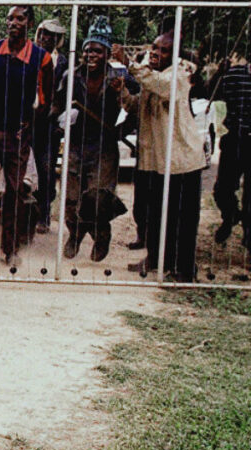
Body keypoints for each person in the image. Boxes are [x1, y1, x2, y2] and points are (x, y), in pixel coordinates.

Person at [117, 32, 205, 281]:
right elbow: (137, 106)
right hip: (155, 160)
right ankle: (156, 260)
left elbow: (163, 88)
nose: (155, 53)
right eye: (154, 47)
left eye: (163, 50)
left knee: (182, 218)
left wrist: (130, 65)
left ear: (174, 55)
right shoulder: (150, 74)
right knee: (153, 212)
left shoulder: (180, 74)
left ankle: (185, 271)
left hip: (181, 161)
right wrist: (122, 91)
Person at [0, 6, 54, 266]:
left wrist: (28, 125)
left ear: (30, 23)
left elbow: (45, 100)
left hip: (17, 135)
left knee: (15, 191)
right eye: (10, 18)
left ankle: (11, 247)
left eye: (20, 18)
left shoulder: (41, 58)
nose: (13, 23)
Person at [53, 17, 136, 262]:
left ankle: (102, 235)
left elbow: (137, 105)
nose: (91, 54)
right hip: (76, 145)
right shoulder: (71, 76)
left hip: (104, 148)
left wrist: (122, 128)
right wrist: (60, 119)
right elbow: (57, 104)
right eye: (87, 49)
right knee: (71, 198)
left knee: (98, 197)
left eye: (97, 51)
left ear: (107, 53)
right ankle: (75, 233)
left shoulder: (118, 76)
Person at [207, 55, 251, 250]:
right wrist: (218, 74)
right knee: (223, 189)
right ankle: (230, 215)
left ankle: (249, 237)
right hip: (235, 138)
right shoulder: (234, 75)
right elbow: (208, 94)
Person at [32, 18, 69, 233]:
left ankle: (43, 214)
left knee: (45, 169)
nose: (46, 38)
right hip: (27, 121)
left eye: (52, 35)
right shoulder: (29, 54)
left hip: (49, 125)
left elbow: (66, 95)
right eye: (44, 33)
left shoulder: (63, 63)